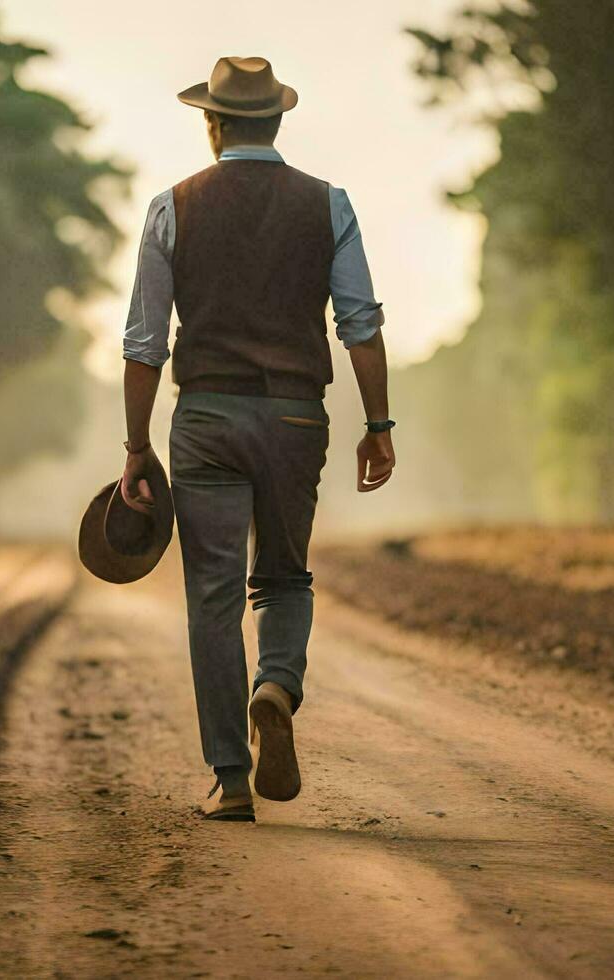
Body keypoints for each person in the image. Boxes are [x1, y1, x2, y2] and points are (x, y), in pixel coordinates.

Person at [119, 57, 396, 821]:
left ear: (213, 124)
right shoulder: (327, 204)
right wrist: (378, 424)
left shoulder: (171, 207)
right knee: (282, 577)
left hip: (205, 416)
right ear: (276, 122)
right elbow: (361, 326)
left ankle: (231, 780)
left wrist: (136, 447)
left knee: (211, 598)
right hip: (295, 417)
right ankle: (275, 686)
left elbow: (145, 343)